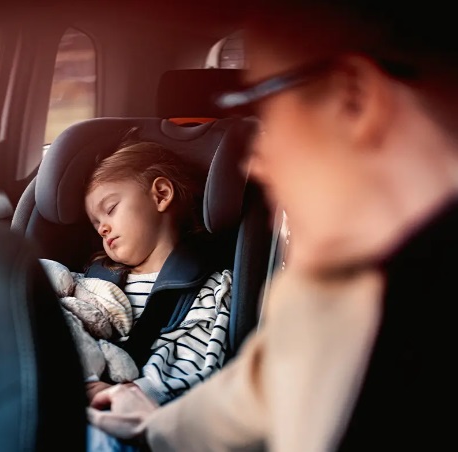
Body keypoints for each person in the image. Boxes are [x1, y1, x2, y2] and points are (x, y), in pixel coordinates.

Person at [87, 1, 458, 451]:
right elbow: (250, 397)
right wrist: (153, 424)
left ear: (353, 99)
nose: (256, 164)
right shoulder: (327, 288)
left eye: (264, 112)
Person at [81, 141, 234, 451]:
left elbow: (195, 371)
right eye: (96, 223)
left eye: (110, 209)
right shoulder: (92, 282)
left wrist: (121, 394)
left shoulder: (210, 289)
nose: (102, 229)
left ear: (161, 194)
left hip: (140, 423)